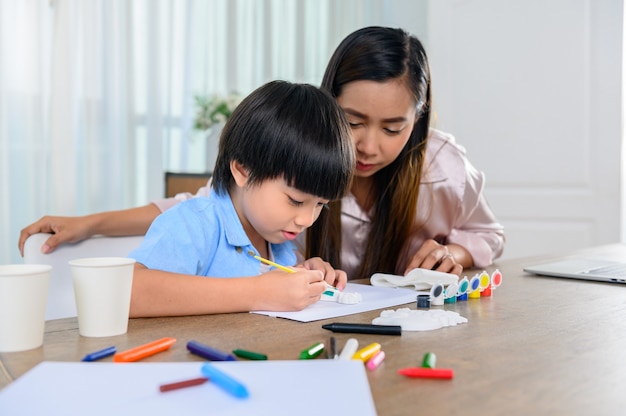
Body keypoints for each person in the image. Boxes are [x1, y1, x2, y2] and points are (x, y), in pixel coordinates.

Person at [19, 26, 504, 280]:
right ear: (327, 100)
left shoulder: (443, 167)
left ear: (416, 121)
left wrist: (453, 251)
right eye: (352, 122)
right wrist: (92, 223)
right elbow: (199, 208)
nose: (369, 146)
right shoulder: (296, 153)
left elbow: (487, 234)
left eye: (393, 127)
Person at [125, 80, 355, 317]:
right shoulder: (195, 223)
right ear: (243, 171)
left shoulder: (278, 242)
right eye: (295, 201)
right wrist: (259, 292)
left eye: (320, 205)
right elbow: (126, 292)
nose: (306, 219)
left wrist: (303, 275)